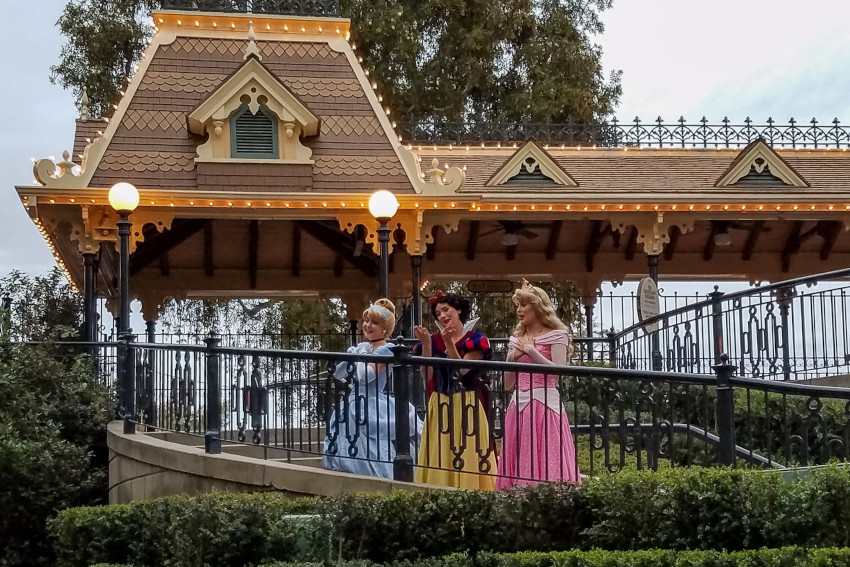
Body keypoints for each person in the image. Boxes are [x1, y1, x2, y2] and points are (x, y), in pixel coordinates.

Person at [495, 279, 581, 489]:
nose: (520, 310)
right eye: (518, 305)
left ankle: (550, 500)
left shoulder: (557, 336)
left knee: (546, 453)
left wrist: (532, 351)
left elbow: (558, 372)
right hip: (519, 406)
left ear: (538, 308)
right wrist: (511, 358)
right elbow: (507, 385)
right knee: (520, 454)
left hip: (544, 405)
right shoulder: (516, 339)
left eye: (524, 305)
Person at [324, 299, 422, 479]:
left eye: (374, 322)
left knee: (374, 440)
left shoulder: (386, 349)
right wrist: (355, 354)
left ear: (385, 329)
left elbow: (365, 375)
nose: (367, 325)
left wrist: (358, 355)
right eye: (366, 321)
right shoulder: (363, 348)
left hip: (372, 403)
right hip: (354, 402)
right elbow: (338, 374)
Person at [413, 291, 496, 490]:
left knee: (468, 450)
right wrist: (426, 345)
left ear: (458, 310)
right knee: (440, 451)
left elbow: (460, 371)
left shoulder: (476, 339)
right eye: (438, 313)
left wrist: (449, 343)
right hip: (440, 402)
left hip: (467, 403)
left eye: (445, 309)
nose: (441, 315)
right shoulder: (433, 341)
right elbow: (427, 375)